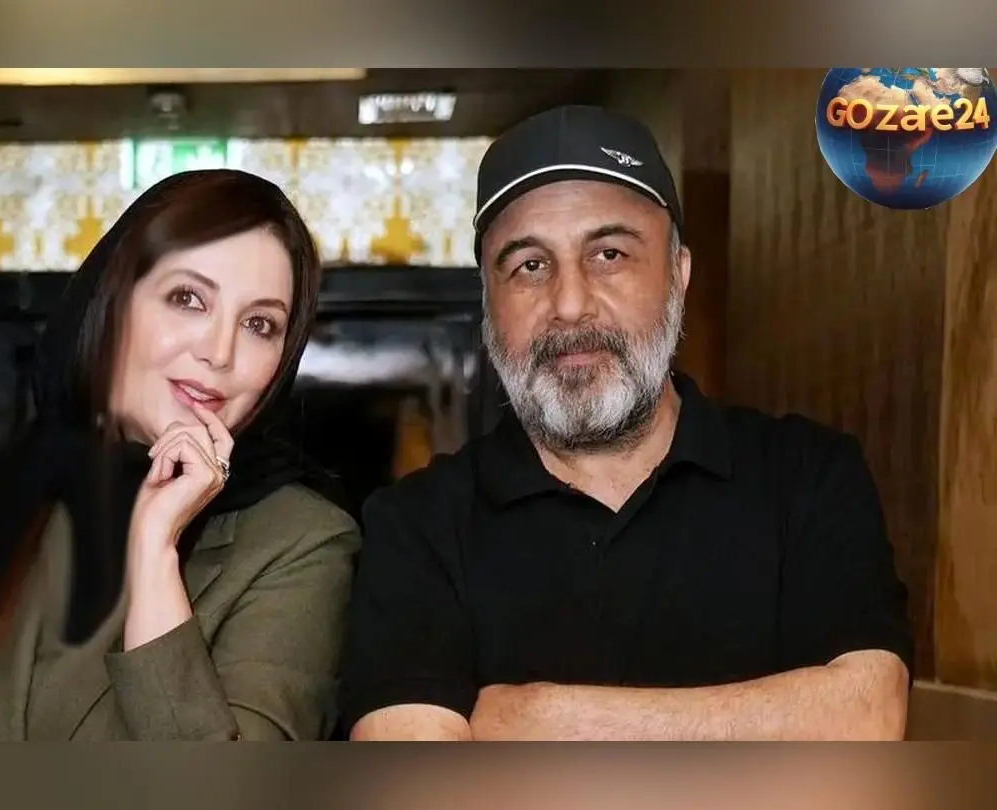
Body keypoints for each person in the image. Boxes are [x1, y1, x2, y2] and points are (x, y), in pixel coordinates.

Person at [338, 106, 913, 741]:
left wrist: (542, 719)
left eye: (609, 254)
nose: (570, 304)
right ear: (488, 302)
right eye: (529, 265)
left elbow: (867, 717)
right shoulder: (415, 525)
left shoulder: (807, 477)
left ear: (678, 275)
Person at [0, 169, 359, 741]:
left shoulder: (302, 543)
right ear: (112, 304)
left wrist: (153, 553)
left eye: (259, 324)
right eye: (188, 299)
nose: (219, 351)